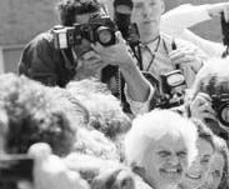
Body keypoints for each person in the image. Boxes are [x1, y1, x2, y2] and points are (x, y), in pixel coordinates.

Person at [18, 0, 152, 115]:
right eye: (89, 31)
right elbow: (41, 113)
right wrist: (80, 78)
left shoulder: (113, 42)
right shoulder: (45, 48)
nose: (100, 36)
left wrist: (127, 63)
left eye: (102, 26)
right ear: (70, 34)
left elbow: (144, 107)